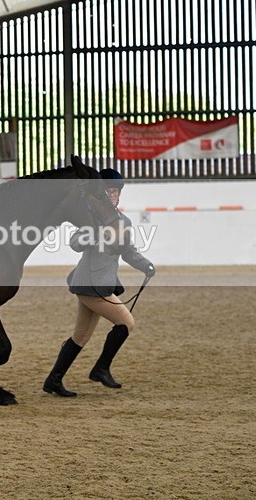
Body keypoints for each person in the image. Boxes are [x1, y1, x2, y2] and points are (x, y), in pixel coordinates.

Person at [43, 168, 155, 397]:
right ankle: (101, 368)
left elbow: (128, 251)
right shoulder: (91, 218)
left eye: (116, 191)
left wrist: (145, 265)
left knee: (80, 337)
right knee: (126, 323)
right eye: (109, 191)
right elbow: (75, 242)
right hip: (91, 284)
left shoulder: (124, 221)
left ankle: (53, 381)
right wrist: (97, 235)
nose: (113, 195)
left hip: (98, 283)